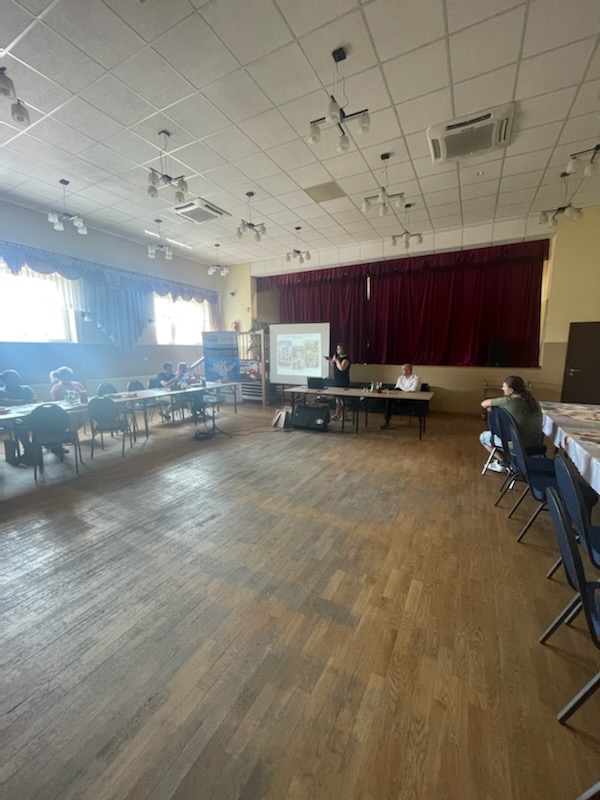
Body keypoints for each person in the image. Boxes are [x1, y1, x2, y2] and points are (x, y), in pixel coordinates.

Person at [480, 375, 543, 472]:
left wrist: (490, 408)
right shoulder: (534, 402)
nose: (502, 388)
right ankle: (514, 461)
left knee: (483, 437)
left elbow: (483, 404)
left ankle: (505, 463)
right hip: (536, 444)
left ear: (511, 390)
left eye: (504, 386)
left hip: (517, 445)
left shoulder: (507, 401)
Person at [380, 364, 422, 429]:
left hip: (410, 400)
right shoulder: (400, 378)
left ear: (408, 370)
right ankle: (387, 421)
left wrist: (402, 390)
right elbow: (397, 388)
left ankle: (387, 420)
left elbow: (413, 389)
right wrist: (403, 390)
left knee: (389, 399)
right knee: (388, 399)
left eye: (403, 369)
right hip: (399, 398)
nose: (402, 371)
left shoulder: (416, 378)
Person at [325, 343, 351, 421]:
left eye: (339, 348)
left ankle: (345, 416)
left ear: (343, 349)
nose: (337, 350)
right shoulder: (338, 357)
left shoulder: (346, 359)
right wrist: (330, 360)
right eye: (337, 348)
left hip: (343, 382)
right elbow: (334, 366)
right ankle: (337, 414)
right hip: (337, 381)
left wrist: (336, 360)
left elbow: (341, 368)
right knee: (337, 399)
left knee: (343, 400)